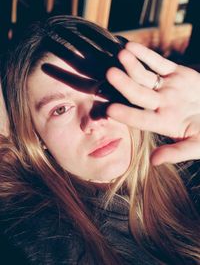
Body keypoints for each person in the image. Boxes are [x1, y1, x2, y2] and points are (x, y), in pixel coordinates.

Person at [0, 15, 199, 265]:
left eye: (103, 89)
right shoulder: (44, 236)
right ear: (35, 136)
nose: (94, 120)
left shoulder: (190, 170)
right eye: (60, 109)